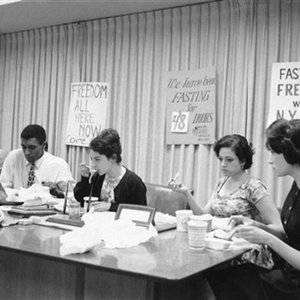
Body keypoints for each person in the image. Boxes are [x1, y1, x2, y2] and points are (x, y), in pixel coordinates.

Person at [206, 118, 300, 300]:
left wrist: (267, 239)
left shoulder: (254, 186)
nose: (270, 160)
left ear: (290, 152)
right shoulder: (296, 188)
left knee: (230, 280)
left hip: (293, 282)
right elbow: (287, 234)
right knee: (218, 276)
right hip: (286, 272)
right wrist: (256, 225)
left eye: (273, 152)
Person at [170, 134, 283, 268]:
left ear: (243, 161)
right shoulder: (221, 183)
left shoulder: (254, 187)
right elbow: (204, 216)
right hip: (220, 247)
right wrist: (186, 193)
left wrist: (253, 226)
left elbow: (279, 228)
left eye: (229, 160)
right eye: (221, 159)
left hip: (246, 253)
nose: (223, 164)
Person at [73, 128, 147, 212]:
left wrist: (112, 207)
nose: (93, 165)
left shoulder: (133, 182)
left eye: (97, 159)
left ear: (113, 157)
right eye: (92, 159)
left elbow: (142, 213)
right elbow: (83, 200)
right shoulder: (99, 177)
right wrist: (84, 179)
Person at [0, 124, 74, 192]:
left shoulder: (58, 165)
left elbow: (70, 196)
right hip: (14, 205)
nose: (27, 152)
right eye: (24, 147)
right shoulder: (14, 157)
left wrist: (57, 192)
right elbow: (3, 190)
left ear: (44, 145)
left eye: (32, 147)